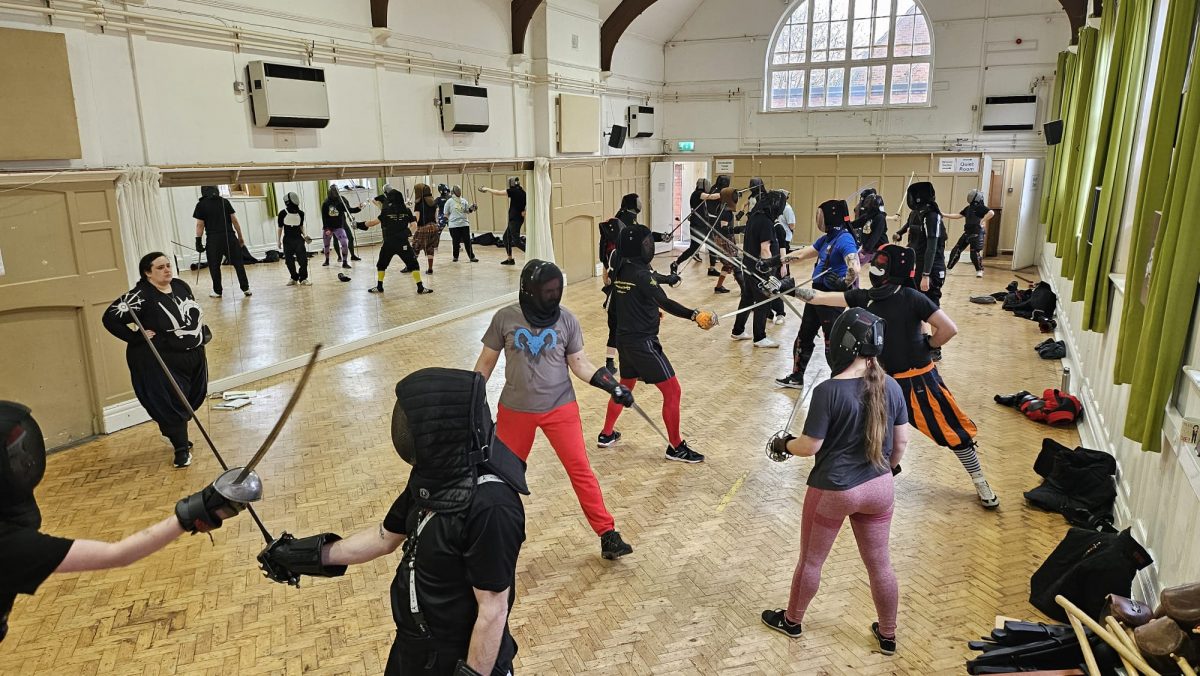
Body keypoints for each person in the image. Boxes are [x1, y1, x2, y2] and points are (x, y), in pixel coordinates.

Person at [256, 367, 528, 676]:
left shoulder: (492, 507)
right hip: (415, 649)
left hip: (461, 660)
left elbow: (492, 610)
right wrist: (302, 556)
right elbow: (384, 537)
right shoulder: (436, 477)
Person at [0, 401, 249, 643]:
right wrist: (192, 513)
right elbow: (118, 554)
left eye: (23, 450)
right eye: (14, 456)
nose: (28, 461)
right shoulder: (10, 545)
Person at [791, 244, 1000, 509]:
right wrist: (789, 288)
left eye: (882, 263)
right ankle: (875, 479)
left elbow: (949, 328)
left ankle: (980, 480)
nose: (876, 268)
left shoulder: (911, 297)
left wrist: (928, 346)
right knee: (876, 433)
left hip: (918, 382)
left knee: (950, 429)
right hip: (882, 382)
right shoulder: (867, 297)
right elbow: (820, 297)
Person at [759, 308, 907, 657]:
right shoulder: (892, 385)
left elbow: (810, 446)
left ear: (843, 343)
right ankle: (888, 634)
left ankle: (792, 621)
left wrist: (784, 444)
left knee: (811, 561)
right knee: (880, 565)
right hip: (880, 488)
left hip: (834, 490)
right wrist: (885, 471)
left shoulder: (828, 391)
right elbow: (900, 445)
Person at [473, 260, 635, 560]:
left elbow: (580, 364)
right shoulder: (505, 318)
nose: (549, 295)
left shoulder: (567, 320)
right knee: (501, 476)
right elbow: (485, 364)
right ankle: (493, 536)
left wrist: (612, 386)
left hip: (560, 408)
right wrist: (468, 400)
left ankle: (607, 534)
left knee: (580, 469)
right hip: (515, 411)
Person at [599, 224, 714, 462]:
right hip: (643, 343)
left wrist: (648, 312)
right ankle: (676, 447)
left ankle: (606, 434)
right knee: (673, 391)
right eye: (647, 243)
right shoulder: (641, 274)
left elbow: (627, 301)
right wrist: (694, 315)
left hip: (624, 339)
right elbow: (665, 302)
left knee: (626, 385)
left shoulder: (622, 268)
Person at [103, 252, 212, 468]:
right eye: (160, 268)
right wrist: (136, 337)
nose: (167, 270)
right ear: (147, 273)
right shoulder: (140, 296)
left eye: (168, 265)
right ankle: (181, 449)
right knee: (171, 403)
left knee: (190, 399)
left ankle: (175, 434)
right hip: (160, 360)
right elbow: (110, 318)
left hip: (192, 354)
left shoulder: (180, 286)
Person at [774, 200, 860, 390]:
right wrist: (776, 261)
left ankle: (842, 383)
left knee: (832, 342)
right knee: (804, 336)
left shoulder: (844, 239)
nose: (819, 219)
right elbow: (804, 253)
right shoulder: (828, 238)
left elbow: (855, 267)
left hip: (830, 298)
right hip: (815, 295)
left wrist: (843, 283)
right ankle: (797, 377)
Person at [731, 190, 789, 348]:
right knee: (763, 301)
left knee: (747, 299)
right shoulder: (766, 222)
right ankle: (759, 337)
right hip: (759, 269)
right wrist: (768, 273)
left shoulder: (754, 217)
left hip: (749, 265)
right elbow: (765, 249)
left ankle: (738, 330)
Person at [360, 185, 433, 295]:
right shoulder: (407, 210)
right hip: (403, 243)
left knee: (381, 264)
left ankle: (379, 286)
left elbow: (372, 223)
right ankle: (420, 287)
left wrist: (358, 225)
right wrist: (405, 234)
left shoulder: (386, 211)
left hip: (388, 243)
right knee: (413, 264)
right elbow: (414, 226)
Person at [193, 185, 251, 298]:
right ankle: (246, 288)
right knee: (238, 264)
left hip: (213, 240)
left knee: (214, 266)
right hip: (230, 237)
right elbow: (234, 221)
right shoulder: (225, 202)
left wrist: (198, 241)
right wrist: (240, 237)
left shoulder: (201, 204)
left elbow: (200, 225)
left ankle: (217, 291)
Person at [897, 182, 947, 307]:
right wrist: (900, 233)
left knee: (931, 305)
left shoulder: (932, 216)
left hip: (932, 268)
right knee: (919, 304)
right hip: (920, 264)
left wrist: (926, 275)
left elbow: (932, 248)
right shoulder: (919, 213)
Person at [943, 189, 995, 278]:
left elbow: (991, 213)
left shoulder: (980, 207)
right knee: (956, 250)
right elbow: (958, 215)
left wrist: (982, 220)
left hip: (977, 233)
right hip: (967, 232)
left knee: (974, 253)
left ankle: (979, 270)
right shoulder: (968, 208)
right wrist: (944, 214)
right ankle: (948, 269)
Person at [479, 177, 526, 266]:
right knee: (506, 238)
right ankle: (510, 259)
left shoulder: (514, 191)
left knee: (516, 241)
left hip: (515, 220)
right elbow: (528, 202)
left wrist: (486, 188)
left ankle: (531, 254)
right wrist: (525, 210)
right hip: (516, 219)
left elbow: (498, 192)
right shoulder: (522, 191)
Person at [276, 191, 312, 286]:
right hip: (287, 240)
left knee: (303, 260)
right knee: (289, 261)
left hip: (298, 239)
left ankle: (303, 278)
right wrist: (278, 241)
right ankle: (294, 277)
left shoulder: (301, 214)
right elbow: (280, 228)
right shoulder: (282, 213)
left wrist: (305, 236)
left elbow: (301, 226)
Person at [321, 185, 359, 269]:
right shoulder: (325, 203)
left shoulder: (341, 201)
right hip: (329, 227)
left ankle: (345, 262)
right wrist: (327, 228)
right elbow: (324, 217)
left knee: (344, 243)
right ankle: (327, 260)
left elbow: (349, 210)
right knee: (326, 245)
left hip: (339, 226)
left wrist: (358, 208)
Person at [443, 185, 479, 263]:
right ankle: (455, 257)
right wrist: (448, 221)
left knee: (467, 241)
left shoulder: (463, 200)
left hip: (464, 224)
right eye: (457, 190)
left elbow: (467, 211)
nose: (458, 192)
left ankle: (472, 257)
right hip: (454, 225)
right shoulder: (449, 201)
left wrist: (472, 208)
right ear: (453, 192)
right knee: (455, 242)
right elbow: (446, 213)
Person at [412, 183, 442, 275]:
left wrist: (411, 227)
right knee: (430, 248)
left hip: (423, 227)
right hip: (434, 227)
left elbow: (417, 218)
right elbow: (436, 217)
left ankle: (411, 266)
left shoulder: (418, 203)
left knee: (415, 247)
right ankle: (430, 269)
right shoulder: (433, 202)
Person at [852, 188, 889, 262]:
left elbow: (875, 236)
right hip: (868, 249)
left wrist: (865, 250)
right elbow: (853, 224)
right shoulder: (867, 216)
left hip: (878, 250)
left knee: (857, 263)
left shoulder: (880, 218)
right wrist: (843, 223)